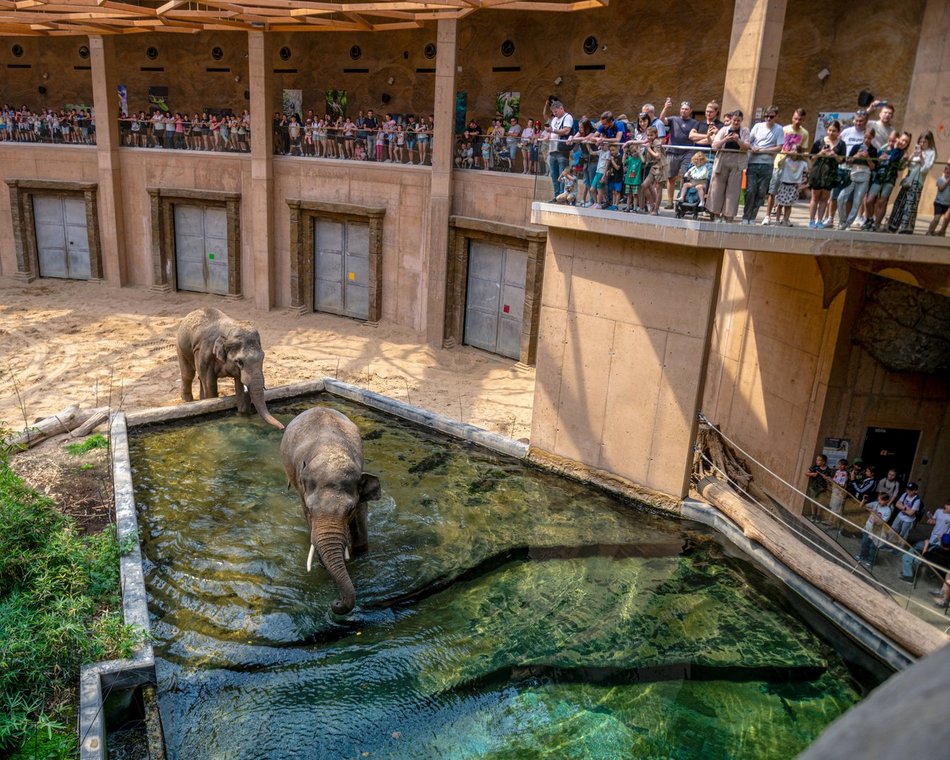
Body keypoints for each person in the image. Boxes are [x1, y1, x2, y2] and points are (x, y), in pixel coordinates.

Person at [764, 107, 809, 225]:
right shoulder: (784, 129)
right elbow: (778, 145)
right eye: (795, 118)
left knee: (789, 194)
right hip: (780, 163)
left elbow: (803, 150)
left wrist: (800, 156)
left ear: (803, 120)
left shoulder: (804, 133)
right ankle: (767, 216)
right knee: (773, 191)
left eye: (800, 119)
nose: (797, 121)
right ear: (792, 118)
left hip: (792, 166)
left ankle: (785, 218)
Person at [887, 131, 937, 234]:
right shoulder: (917, 151)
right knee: (900, 202)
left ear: (929, 142)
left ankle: (906, 227)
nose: (922, 144)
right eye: (921, 141)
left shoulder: (931, 152)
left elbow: (925, 169)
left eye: (925, 142)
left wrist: (921, 157)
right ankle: (893, 225)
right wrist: (911, 156)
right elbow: (905, 166)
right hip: (908, 178)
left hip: (917, 180)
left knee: (910, 203)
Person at [742, 106, 784, 224]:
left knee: (761, 192)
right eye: (766, 116)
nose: (768, 119)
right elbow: (748, 142)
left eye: (771, 116)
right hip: (753, 162)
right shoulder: (757, 126)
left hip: (767, 164)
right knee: (751, 190)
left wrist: (764, 150)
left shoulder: (779, 129)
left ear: (776, 117)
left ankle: (753, 217)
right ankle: (746, 216)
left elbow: (779, 147)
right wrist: (753, 148)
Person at [707, 110, 751, 222]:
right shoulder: (723, 130)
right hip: (723, 160)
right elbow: (714, 146)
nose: (736, 123)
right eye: (734, 120)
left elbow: (746, 147)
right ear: (731, 119)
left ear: (741, 120)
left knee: (733, 190)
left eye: (738, 121)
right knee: (717, 189)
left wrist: (737, 140)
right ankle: (716, 214)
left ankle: (728, 215)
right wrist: (725, 139)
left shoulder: (745, 131)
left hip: (737, 161)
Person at [862, 131, 910, 232]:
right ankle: (869, 219)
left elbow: (897, 164)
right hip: (879, 177)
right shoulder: (883, 149)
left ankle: (877, 224)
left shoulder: (901, 153)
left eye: (906, 142)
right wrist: (879, 159)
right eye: (902, 140)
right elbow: (875, 163)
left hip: (889, 179)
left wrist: (904, 159)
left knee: (882, 202)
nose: (903, 142)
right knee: (869, 200)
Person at [659, 98, 699, 209]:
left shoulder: (694, 122)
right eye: (682, 108)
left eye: (686, 109)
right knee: (670, 177)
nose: (684, 111)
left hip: (687, 152)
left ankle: (681, 199)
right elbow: (661, 119)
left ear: (691, 110)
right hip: (672, 151)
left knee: (684, 176)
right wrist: (666, 108)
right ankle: (670, 202)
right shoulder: (673, 119)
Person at [900, 498, 950, 581]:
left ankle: (909, 575)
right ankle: (908, 572)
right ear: (946, 506)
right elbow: (934, 521)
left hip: (939, 542)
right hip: (931, 538)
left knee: (920, 558)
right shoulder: (938, 511)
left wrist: (943, 539)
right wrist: (931, 521)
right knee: (913, 552)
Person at [807, 120, 845, 228]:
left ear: (838, 132)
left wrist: (834, 155)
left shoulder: (841, 144)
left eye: (834, 131)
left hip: (831, 172)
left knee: (824, 198)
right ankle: (811, 220)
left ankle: (820, 220)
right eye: (829, 130)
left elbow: (842, 160)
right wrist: (821, 153)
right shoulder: (819, 142)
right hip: (818, 171)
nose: (831, 133)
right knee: (815, 197)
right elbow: (812, 157)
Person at [837, 128, 878, 229]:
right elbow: (848, 161)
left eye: (869, 138)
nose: (866, 140)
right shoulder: (856, 147)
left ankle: (847, 224)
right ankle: (842, 221)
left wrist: (867, 157)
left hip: (865, 176)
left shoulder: (873, 150)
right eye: (865, 137)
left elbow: (873, 167)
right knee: (841, 198)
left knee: (857, 202)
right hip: (852, 174)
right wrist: (856, 155)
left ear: (872, 138)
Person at [854, 492, 894, 568]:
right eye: (879, 499)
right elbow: (861, 506)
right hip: (868, 527)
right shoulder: (875, 504)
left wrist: (873, 513)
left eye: (881, 500)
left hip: (877, 531)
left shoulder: (888, 511)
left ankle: (871, 561)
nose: (879, 502)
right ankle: (863, 556)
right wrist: (864, 500)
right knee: (864, 542)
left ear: (887, 501)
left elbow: (880, 522)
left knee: (873, 547)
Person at [774, 145, 808, 226]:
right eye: (792, 149)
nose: (793, 151)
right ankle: (777, 220)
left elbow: (809, 169)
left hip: (794, 185)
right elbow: (779, 165)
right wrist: (786, 155)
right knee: (780, 204)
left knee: (789, 205)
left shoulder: (802, 163)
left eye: (795, 150)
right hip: (784, 184)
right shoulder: (787, 160)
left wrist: (806, 158)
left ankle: (785, 220)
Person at [548, 100, 574, 199]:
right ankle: (556, 196)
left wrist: (553, 130)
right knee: (554, 176)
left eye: (556, 112)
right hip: (552, 150)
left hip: (562, 151)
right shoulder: (554, 119)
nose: (555, 114)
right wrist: (548, 135)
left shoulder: (568, 117)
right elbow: (551, 131)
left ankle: (563, 197)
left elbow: (566, 131)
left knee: (563, 175)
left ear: (561, 108)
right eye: (553, 112)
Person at [804, 454, 832, 522]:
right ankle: (813, 514)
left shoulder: (828, 469)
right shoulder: (815, 467)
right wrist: (812, 474)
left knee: (820, 502)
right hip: (814, 487)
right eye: (816, 460)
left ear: (824, 462)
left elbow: (830, 479)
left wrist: (827, 478)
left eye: (819, 460)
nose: (817, 461)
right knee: (813, 501)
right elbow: (806, 473)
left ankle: (818, 516)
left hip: (823, 489)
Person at [927, 163, 950, 236]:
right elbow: (941, 188)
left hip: (948, 203)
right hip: (939, 202)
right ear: (944, 171)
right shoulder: (940, 179)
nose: (948, 174)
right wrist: (948, 181)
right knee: (936, 219)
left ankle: (942, 232)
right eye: (947, 172)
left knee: (946, 219)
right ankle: (930, 231)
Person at [623, 140, 644, 212]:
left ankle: (635, 208)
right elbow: (623, 162)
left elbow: (644, 161)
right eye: (632, 152)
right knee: (629, 195)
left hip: (636, 181)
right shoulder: (630, 159)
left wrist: (639, 152)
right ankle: (628, 207)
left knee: (635, 195)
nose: (634, 154)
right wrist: (625, 153)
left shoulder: (639, 160)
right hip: (629, 180)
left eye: (635, 152)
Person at [828, 458, 851, 524]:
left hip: (839, 493)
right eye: (839, 464)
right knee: (832, 507)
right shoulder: (837, 471)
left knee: (837, 509)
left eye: (842, 465)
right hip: (834, 491)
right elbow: (834, 480)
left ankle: (834, 523)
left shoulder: (845, 473)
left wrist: (833, 482)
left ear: (845, 466)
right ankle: (830, 520)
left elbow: (842, 485)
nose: (840, 466)